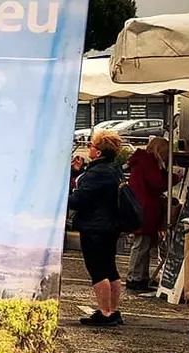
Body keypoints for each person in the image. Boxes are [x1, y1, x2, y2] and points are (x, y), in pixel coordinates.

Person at [69, 128, 125, 327]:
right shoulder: (113, 168)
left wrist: (60, 198)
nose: (88, 148)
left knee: (97, 269)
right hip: (111, 224)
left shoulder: (96, 174)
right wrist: (78, 172)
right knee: (110, 268)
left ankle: (105, 311)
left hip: (95, 227)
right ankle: (113, 309)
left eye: (91, 145)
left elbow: (79, 200)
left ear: (99, 152)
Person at [124, 135, 169, 293]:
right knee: (141, 244)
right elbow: (157, 182)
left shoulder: (141, 160)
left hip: (142, 207)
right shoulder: (148, 162)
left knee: (144, 244)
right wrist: (172, 177)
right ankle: (135, 277)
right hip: (145, 208)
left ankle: (140, 276)